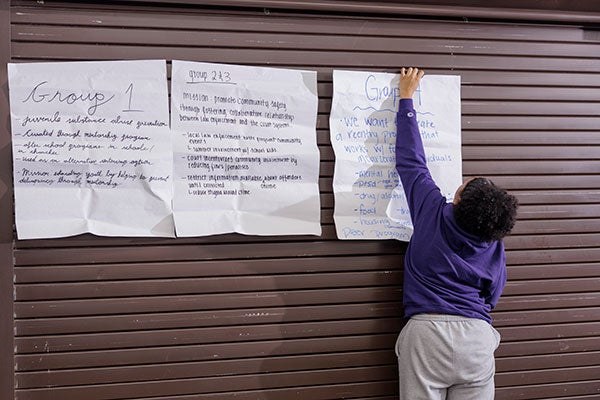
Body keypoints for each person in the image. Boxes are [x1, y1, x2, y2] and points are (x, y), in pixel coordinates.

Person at [394, 67, 519, 400]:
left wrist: (406, 98)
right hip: (476, 339)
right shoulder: (493, 241)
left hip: (427, 335)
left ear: (457, 199)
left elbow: (411, 161)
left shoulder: (432, 211)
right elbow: (493, 295)